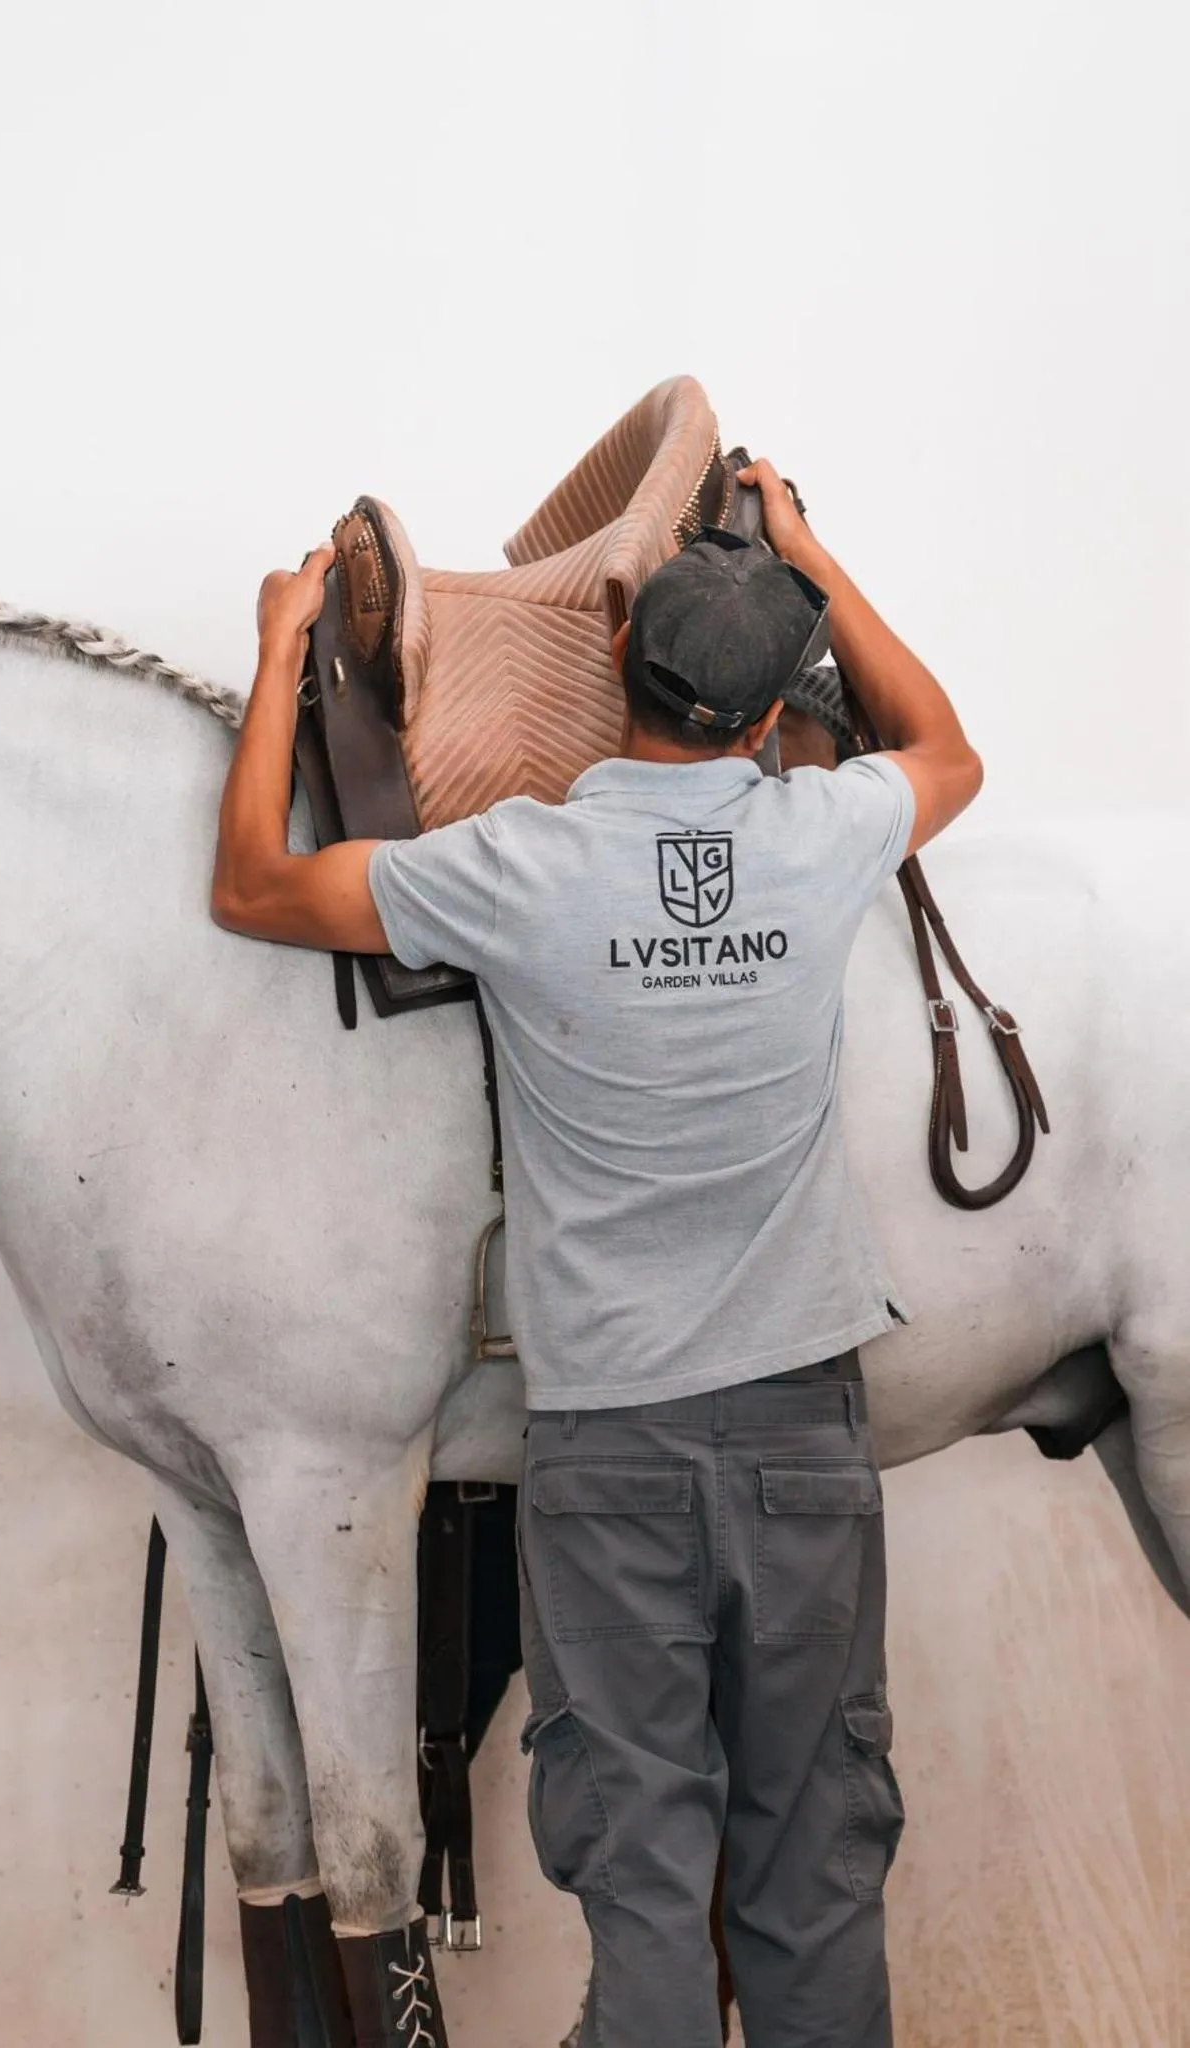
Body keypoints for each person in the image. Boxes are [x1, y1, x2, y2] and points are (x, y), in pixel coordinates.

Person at [212, 459, 982, 2048]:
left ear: (613, 666)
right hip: (800, 1435)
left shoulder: (515, 868)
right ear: (771, 720)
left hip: (611, 1450)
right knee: (815, 1874)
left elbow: (253, 889)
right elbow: (946, 748)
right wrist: (811, 551)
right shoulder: (821, 841)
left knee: (642, 1891)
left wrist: (283, 645)